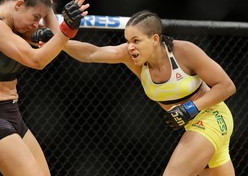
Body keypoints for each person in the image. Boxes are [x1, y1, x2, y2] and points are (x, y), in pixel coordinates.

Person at [55, 10, 235, 175]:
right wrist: (57, 41)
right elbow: (91, 53)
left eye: (136, 40)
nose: (130, 46)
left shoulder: (184, 51)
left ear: (155, 39)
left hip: (213, 117)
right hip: (193, 125)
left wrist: (190, 108)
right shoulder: (131, 57)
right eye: (127, 41)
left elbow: (226, 86)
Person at [0, 0, 89, 176]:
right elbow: (37, 60)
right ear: (18, 5)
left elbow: (54, 39)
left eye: (39, 18)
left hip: (13, 115)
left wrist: (47, 0)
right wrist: (68, 29)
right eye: (35, 17)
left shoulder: (18, 26)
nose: (36, 24)